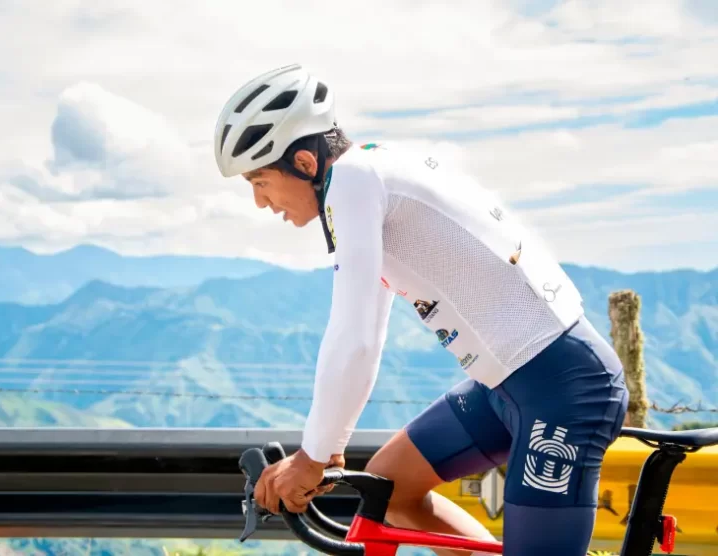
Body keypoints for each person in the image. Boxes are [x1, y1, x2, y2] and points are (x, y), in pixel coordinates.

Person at [213, 64, 630, 556]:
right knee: (389, 487)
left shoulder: (351, 180)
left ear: (304, 163)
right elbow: (370, 322)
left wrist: (314, 454)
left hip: (563, 387)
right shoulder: (370, 171)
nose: (261, 202)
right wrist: (325, 445)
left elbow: (355, 335)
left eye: (260, 181)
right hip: (507, 384)